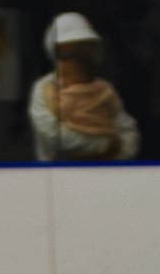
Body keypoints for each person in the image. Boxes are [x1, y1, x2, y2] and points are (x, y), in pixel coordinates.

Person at [28, 12, 140, 162]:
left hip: (105, 175)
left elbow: (129, 133)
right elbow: (54, 137)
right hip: (60, 177)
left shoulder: (104, 89)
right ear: (56, 54)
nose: (78, 61)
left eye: (84, 52)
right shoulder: (44, 89)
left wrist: (115, 156)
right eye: (69, 54)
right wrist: (105, 145)